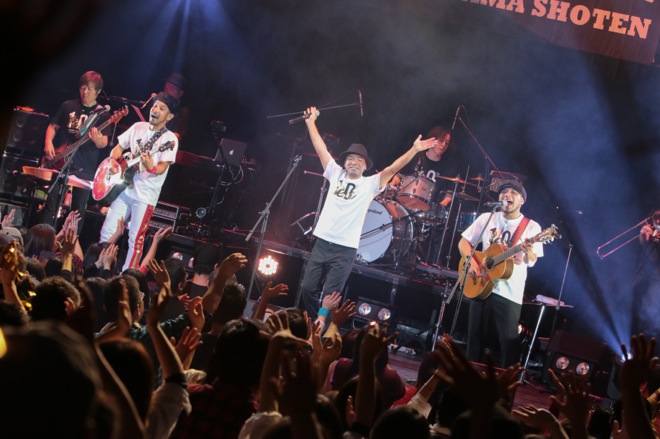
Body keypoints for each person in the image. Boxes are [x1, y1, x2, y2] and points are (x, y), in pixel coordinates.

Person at [298, 106, 437, 318]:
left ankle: (321, 327)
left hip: (345, 250)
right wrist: (310, 123)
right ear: (344, 163)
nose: (353, 162)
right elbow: (320, 149)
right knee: (307, 287)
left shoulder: (370, 184)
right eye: (350, 159)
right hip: (323, 242)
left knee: (329, 296)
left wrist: (414, 150)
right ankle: (313, 321)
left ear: (365, 166)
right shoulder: (335, 173)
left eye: (359, 160)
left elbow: (393, 168)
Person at [457, 179, 543, 367]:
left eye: (513, 192)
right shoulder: (487, 218)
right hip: (481, 284)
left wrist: (528, 252)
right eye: (504, 192)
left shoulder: (531, 227)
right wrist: (471, 263)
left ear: (522, 200)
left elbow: (532, 261)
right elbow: (463, 242)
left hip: (509, 292)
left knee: (508, 346)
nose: (507, 195)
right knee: (474, 342)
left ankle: (508, 385)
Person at [98, 92, 179, 271]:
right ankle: (99, 268)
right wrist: (113, 161)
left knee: (135, 240)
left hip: (145, 197)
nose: (155, 110)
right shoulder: (138, 127)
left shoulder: (169, 140)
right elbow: (118, 148)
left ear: (169, 116)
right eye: (155, 106)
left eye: (162, 108)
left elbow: (161, 168)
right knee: (107, 230)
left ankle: (126, 278)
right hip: (125, 190)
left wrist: (150, 167)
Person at [41, 71, 112, 234]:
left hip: (84, 169)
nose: (85, 92)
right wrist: (48, 142)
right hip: (61, 162)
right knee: (50, 205)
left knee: (77, 211)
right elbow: (53, 126)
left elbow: (103, 143)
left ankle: (70, 245)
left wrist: (97, 139)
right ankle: (43, 240)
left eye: (89, 89)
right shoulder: (68, 106)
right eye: (82, 88)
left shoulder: (103, 114)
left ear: (98, 91)